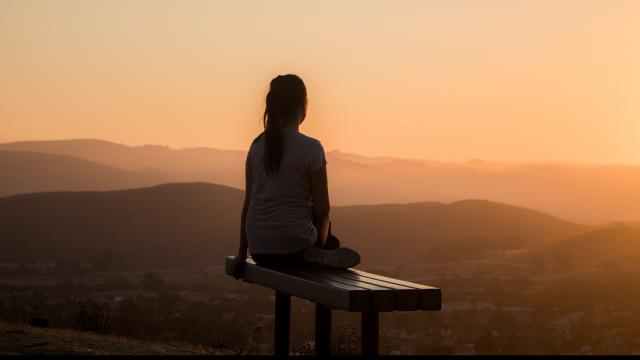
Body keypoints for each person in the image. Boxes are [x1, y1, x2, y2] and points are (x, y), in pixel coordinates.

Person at [229, 74, 360, 277]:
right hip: (295, 249)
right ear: (303, 105)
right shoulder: (312, 148)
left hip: (259, 250)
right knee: (330, 236)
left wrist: (241, 254)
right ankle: (320, 252)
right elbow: (323, 210)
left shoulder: (256, 146)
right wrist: (320, 242)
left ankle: (319, 251)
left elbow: (248, 203)